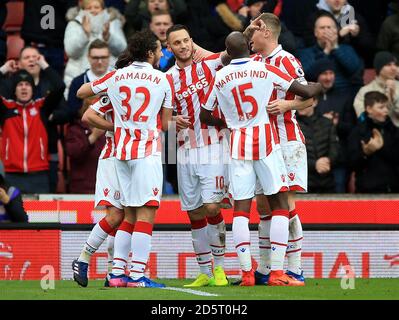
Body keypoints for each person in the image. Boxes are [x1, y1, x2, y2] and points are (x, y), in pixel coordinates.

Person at [201, 31, 322, 286]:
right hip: (267, 142)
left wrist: (227, 122)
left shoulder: (220, 76)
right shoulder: (264, 68)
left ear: (228, 51)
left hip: (238, 144)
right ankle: (278, 272)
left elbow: (204, 114)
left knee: (242, 210)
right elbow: (304, 90)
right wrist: (320, 86)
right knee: (280, 205)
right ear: (249, 47)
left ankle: (247, 273)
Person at [77, 29, 173, 288]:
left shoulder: (116, 76)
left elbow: (81, 93)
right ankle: (138, 276)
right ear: (150, 53)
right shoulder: (162, 80)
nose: (162, 53)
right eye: (159, 49)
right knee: (146, 212)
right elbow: (164, 124)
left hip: (119, 152)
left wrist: (119, 122)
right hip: (145, 151)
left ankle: (118, 274)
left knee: (127, 213)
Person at [245, 13, 314, 285]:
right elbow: (232, 49)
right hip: (261, 143)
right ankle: (265, 268)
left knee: (286, 204)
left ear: (266, 33)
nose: (250, 38)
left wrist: (287, 105)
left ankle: (294, 268)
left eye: (254, 32)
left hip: (285, 140)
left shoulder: (287, 60)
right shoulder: (252, 62)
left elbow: (308, 98)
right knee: (263, 205)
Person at [165, 24, 231, 287]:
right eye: (176, 43)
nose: (182, 46)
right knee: (193, 213)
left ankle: (221, 269)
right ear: (169, 48)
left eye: (185, 41)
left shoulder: (211, 64)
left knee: (212, 206)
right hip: (184, 150)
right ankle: (204, 271)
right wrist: (172, 122)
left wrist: (250, 30)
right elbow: (160, 120)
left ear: (192, 41)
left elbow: (233, 50)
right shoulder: (166, 78)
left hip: (214, 146)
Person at [0, 47, 70, 194]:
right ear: (14, 90)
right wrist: (4, 69)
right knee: (13, 216)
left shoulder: (42, 107)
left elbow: (59, 86)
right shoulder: (6, 109)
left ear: (33, 89)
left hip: (39, 175)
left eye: (27, 85)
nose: (24, 88)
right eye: (20, 84)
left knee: (41, 217)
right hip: (12, 174)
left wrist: (44, 64)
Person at [72, 95, 125, 288]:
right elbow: (88, 114)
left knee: (128, 217)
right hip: (114, 158)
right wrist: (114, 128)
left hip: (138, 159)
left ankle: (114, 272)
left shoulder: (151, 87)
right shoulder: (116, 89)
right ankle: (84, 258)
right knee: (116, 215)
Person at [309, 58, 357, 192]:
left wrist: (336, 124)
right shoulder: (308, 97)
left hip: (337, 159)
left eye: (331, 73)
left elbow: (351, 127)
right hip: (312, 159)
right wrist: (322, 123)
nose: (328, 77)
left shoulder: (344, 97)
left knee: (338, 193)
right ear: (317, 76)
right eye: (324, 73)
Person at [64, 0, 127, 97]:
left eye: (97, 7)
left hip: (109, 77)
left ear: (103, 9)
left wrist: (109, 37)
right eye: (89, 8)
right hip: (78, 77)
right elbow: (70, 51)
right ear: (83, 10)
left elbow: (123, 50)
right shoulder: (75, 24)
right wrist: (84, 34)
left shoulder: (112, 22)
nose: (93, 10)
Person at [298, 12, 363, 95]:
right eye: (322, 28)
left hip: (344, 94)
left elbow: (353, 68)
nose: (326, 31)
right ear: (315, 32)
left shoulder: (347, 49)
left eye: (329, 27)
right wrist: (326, 52)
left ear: (336, 31)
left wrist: (335, 48)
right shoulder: (306, 52)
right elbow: (307, 74)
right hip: (318, 96)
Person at [348, 91, 399, 193]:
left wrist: (381, 148)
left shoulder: (393, 130)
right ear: (369, 109)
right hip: (367, 190)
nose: (386, 111)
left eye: (386, 107)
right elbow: (351, 164)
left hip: (392, 188)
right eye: (381, 107)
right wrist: (365, 153)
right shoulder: (358, 132)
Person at [21, 0, 76, 75]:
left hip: (56, 45)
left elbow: (72, 10)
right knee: (30, 82)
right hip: (34, 44)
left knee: (55, 82)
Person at [65, 97, 106, 194]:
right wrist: (93, 137)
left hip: (105, 188)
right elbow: (73, 153)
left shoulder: (109, 132)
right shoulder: (75, 129)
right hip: (82, 189)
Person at [296, 102, 339, 193]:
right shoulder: (291, 124)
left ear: (314, 102)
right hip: (303, 183)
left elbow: (335, 148)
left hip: (327, 181)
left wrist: (328, 160)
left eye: (303, 100)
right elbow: (290, 155)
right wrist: (314, 164)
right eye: (297, 100)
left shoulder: (327, 123)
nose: (299, 104)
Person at [68, 39, 114, 118]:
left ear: (109, 57)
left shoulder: (118, 78)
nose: (100, 61)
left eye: (103, 57)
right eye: (95, 58)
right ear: (88, 57)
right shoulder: (78, 82)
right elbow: (71, 111)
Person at [353, 51, 399, 127]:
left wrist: (394, 96)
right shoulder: (365, 91)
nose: (394, 68)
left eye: (395, 65)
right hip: (376, 133)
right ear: (379, 68)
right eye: (388, 65)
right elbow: (362, 118)